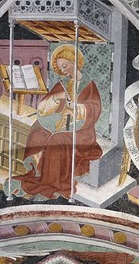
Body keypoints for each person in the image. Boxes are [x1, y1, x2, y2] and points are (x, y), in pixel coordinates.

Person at [14, 44, 103, 201]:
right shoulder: (62, 84)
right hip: (60, 124)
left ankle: (51, 182)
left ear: (74, 61)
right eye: (61, 69)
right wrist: (57, 98)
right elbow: (43, 106)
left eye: (65, 66)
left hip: (81, 130)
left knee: (57, 141)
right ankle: (37, 172)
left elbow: (94, 109)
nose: (64, 71)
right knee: (37, 133)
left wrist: (76, 108)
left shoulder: (89, 85)